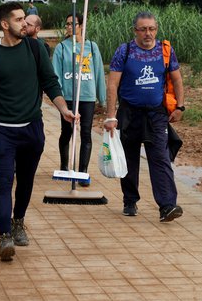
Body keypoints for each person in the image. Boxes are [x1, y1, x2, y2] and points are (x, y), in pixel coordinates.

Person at [0, 2, 74, 262]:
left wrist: (63, 109)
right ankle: (5, 235)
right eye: (18, 20)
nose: (25, 24)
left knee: (25, 182)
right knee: (3, 184)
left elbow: (50, 82)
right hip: (1, 131)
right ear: (5, 25)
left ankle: (18, 221)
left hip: (32, 130)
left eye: (25, 19)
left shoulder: (36, 48)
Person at [104, 11, 185, 223]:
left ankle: (167, 205)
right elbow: (112, 84)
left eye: (152, 29)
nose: (148, 33)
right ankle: (130, 200)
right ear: (135, 31)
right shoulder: (125, 50)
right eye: (143, 29)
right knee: (129, 158)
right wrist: (110, 116)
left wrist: (180, 106)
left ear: (156, 29)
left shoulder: (165, 51)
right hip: (129, 113)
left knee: (160, 158)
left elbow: (177, 79)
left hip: (156, 114)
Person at [52, 14, 106, 185]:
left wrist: (101, 98)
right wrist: (58, 97)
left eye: (72, 24)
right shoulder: (61, 47)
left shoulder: (91, 46)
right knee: (67, 132)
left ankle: (83, 172)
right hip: (68, 96)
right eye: (66, 24)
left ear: (81, 25)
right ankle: (64, 165)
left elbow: (98, 73)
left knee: (86, 133)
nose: (68, 27)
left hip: (87, 96)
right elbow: (56, 74)